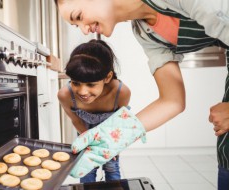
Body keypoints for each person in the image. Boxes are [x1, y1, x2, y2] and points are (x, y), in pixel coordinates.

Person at [54, 0, 229, 189]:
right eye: (75, 25)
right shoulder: (145, 33)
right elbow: (172, 101)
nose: (84, 30)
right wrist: (116, 136)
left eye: (79, 16)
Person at [57, 39, 131, 183]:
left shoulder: (121, 93)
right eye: (76, 82)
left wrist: (112, 146)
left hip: (111, 136)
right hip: (85, 133)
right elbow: (76, 120)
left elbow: (120, 122)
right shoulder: (65, 95)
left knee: (111, 167)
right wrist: (89, 143)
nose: (83, 91)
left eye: (91, 84)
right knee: (86, 169)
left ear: (107, 77)